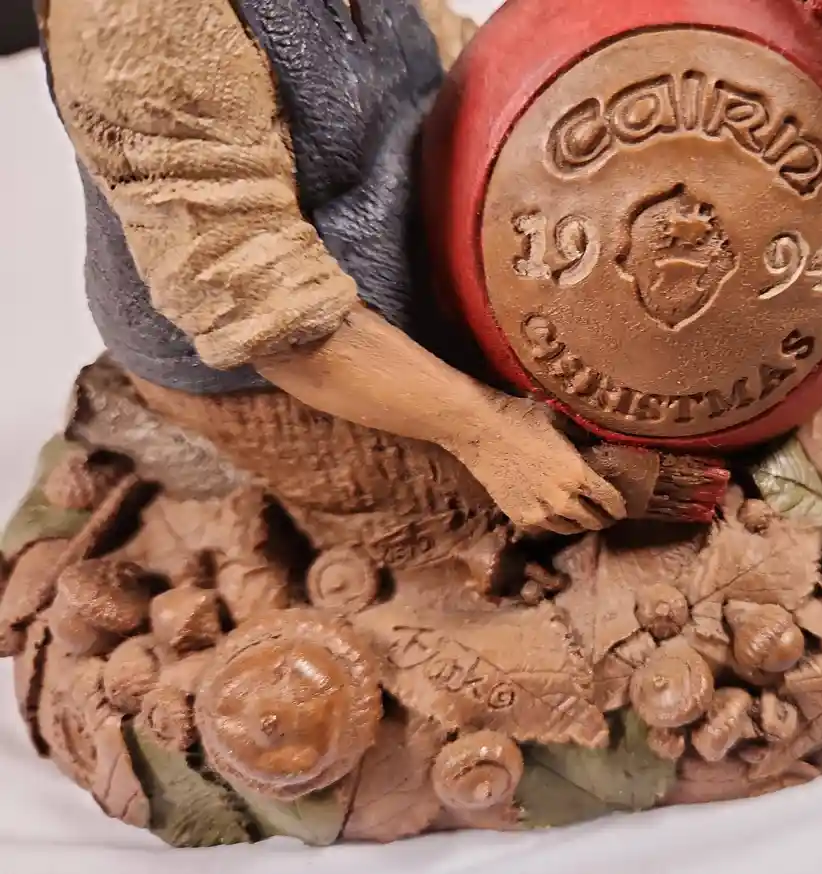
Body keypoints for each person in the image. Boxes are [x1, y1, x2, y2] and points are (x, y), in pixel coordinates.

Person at [37, 0, 625, 535]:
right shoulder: (143, 17)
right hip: (286, 371)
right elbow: (265, 310)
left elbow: (455, 58)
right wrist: (485, 433)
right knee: (582, 493)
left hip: (430, 247)